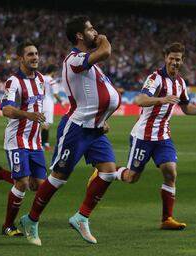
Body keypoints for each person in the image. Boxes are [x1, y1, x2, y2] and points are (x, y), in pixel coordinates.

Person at [92, 42, 196, 230]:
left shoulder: (181, 83)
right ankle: (106, 171)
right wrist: (161, 99)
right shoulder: (156, 78)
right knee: (131, 177)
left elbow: (186, 108)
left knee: (171, 172)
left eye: (178, 59)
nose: (174, 62)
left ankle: (167, 219)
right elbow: (140, 100)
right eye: (171, 58)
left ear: (182, 61)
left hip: (163, 137)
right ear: (165, 58)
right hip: (142, 136)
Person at [19, 16, 121, 246]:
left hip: (94, 129)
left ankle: (81, 217)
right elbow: (105, 51)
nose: (95, 32)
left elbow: (100, 96)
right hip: (77, 128)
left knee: (108, 172)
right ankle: (31, 219)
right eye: (91, 29)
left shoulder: (90, 65)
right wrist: (103, 40)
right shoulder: (73, 59)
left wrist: (103, 118)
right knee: (59, 178)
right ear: (79, 35)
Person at [0, 41, 47, 237]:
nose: (35, 57)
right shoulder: (14, 82)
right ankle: (8, 225)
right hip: (17, 139)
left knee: (38, 185)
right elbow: (5, 109)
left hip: (35, 141)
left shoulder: (41, 80)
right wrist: (28, 115)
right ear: (21, 58)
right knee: (22, 183)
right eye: (30, 54)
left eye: (36, 53)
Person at [41, 64, 65, 151]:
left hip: (40, 103)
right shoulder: (52, 81)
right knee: (46, 124)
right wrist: (61, 102)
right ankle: (44, 144)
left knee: (41, 123)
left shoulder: (40, 78)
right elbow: (55, 94)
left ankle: (42, 143)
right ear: (53, 72)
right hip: (48, 103)